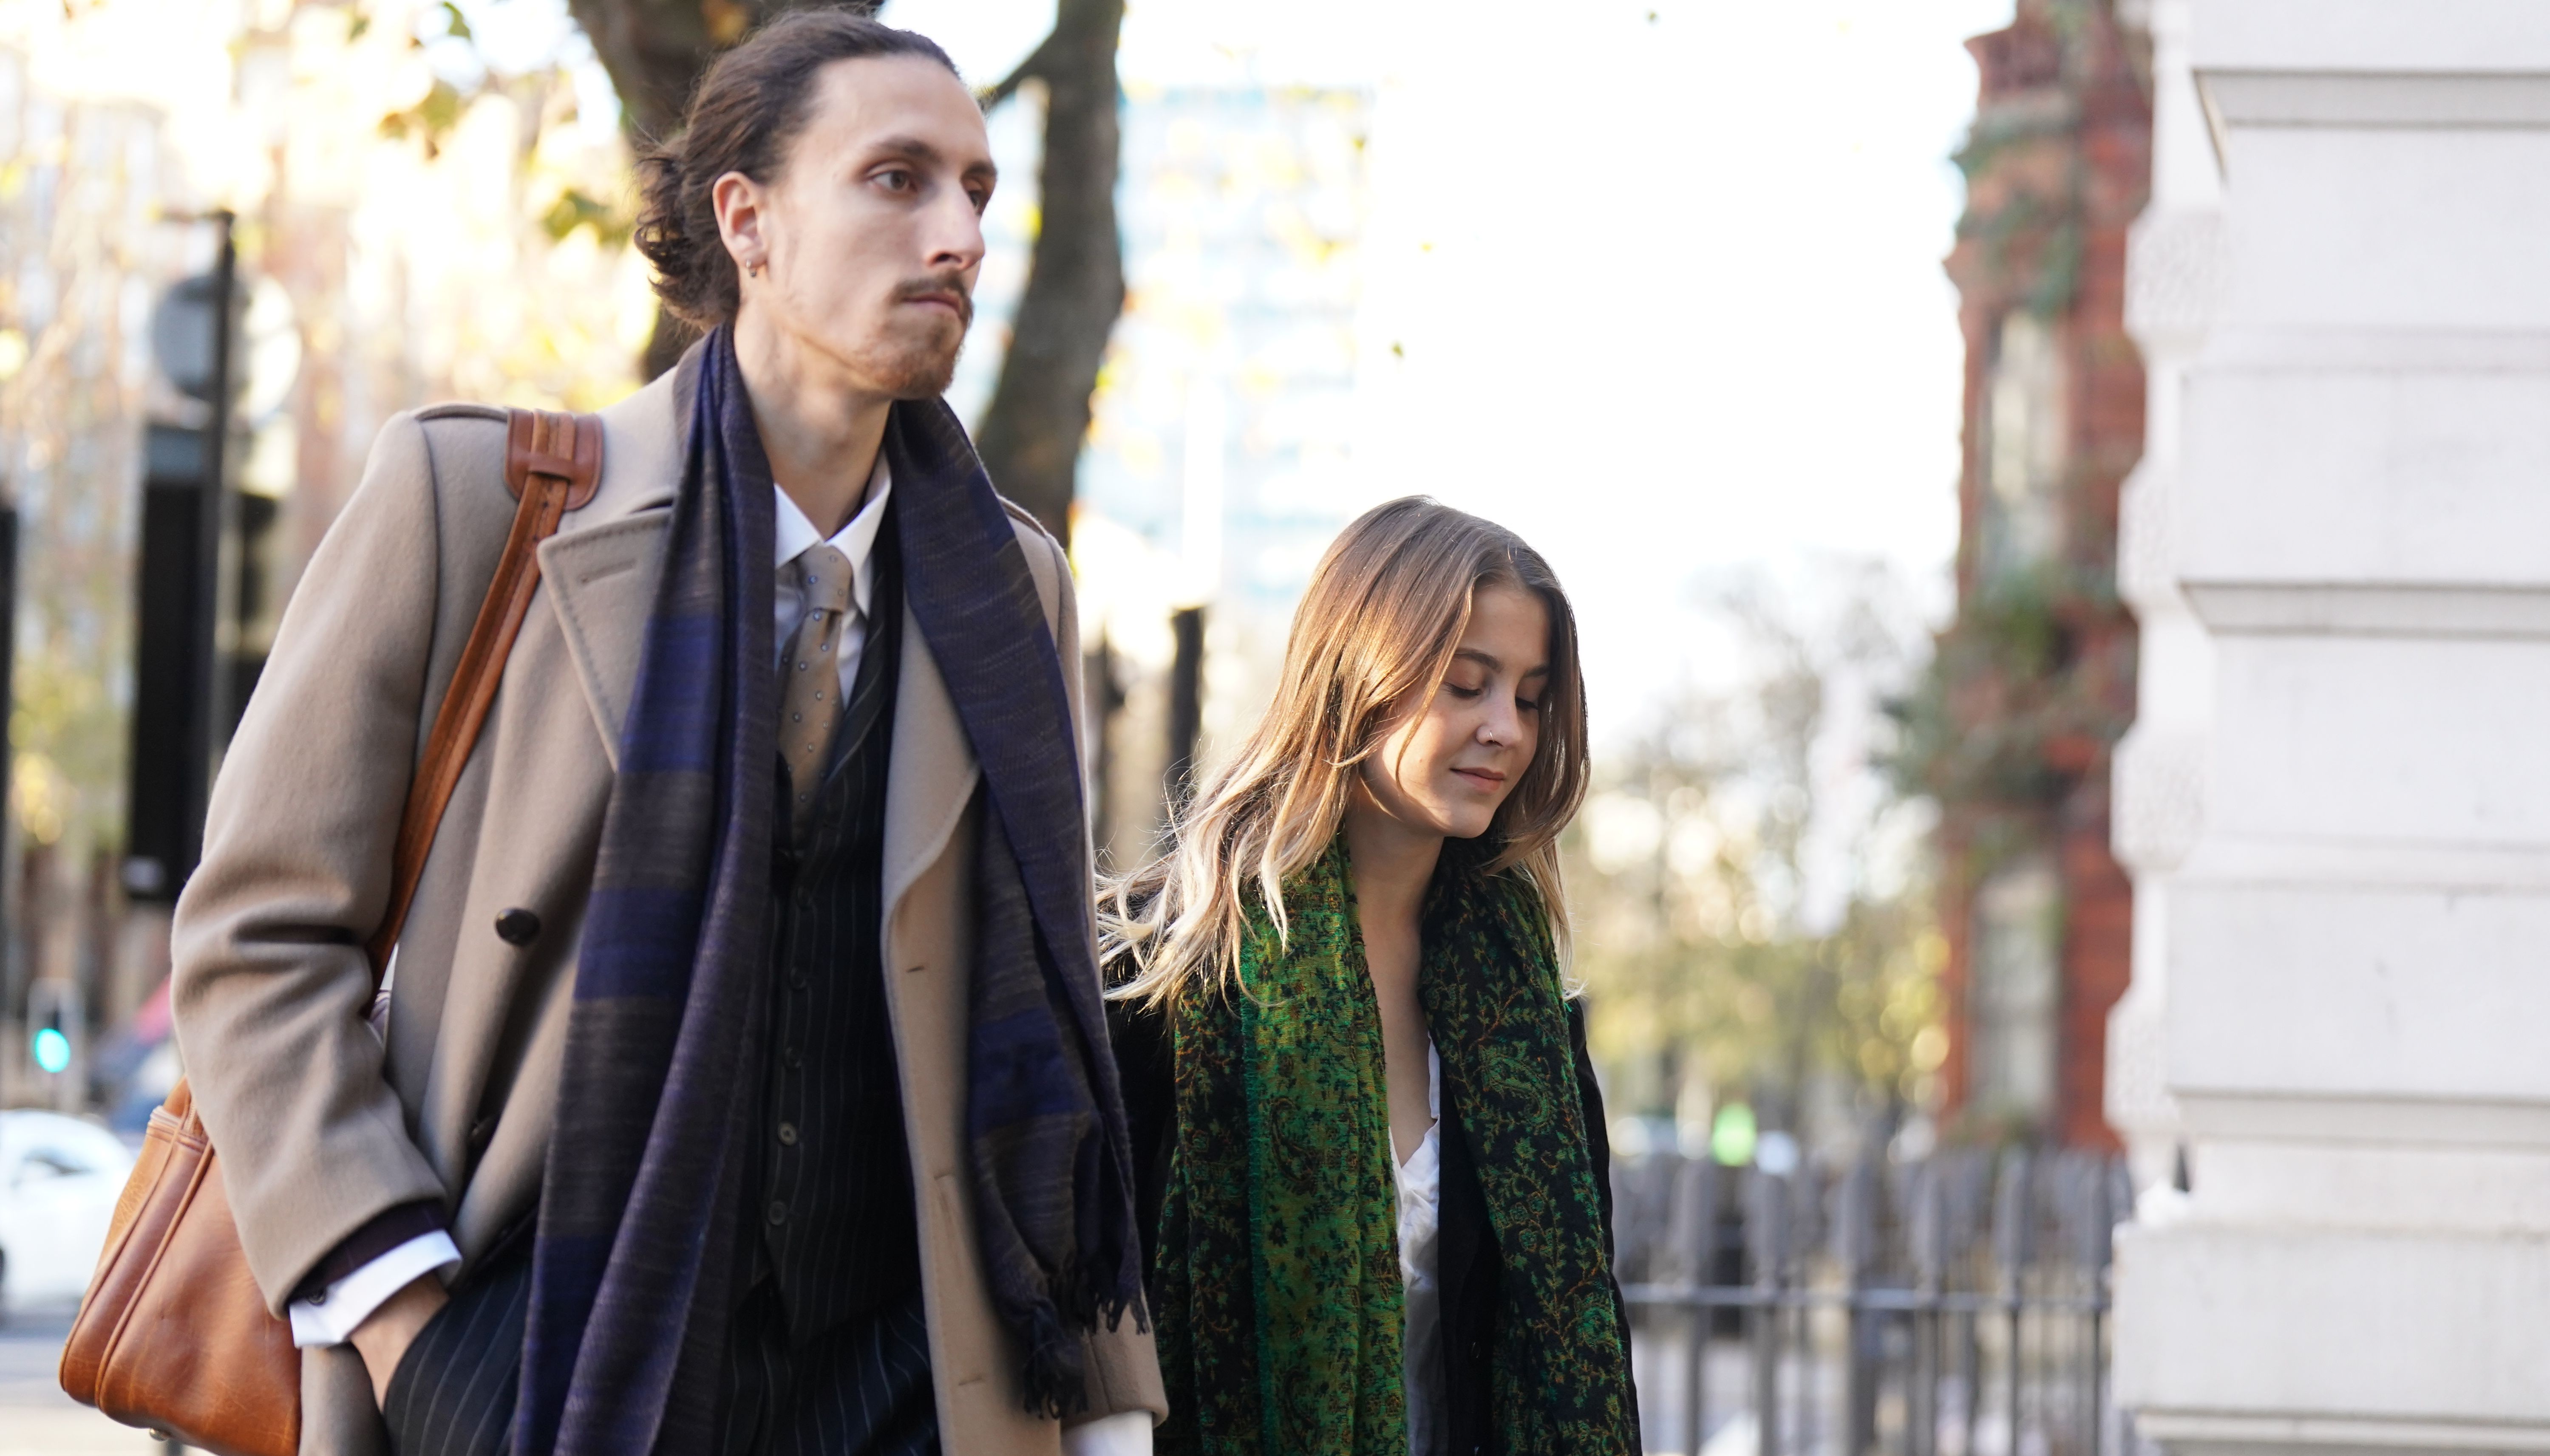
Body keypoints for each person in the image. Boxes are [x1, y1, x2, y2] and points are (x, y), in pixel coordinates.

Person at [169, 13, 1160, 1456]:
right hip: (532, 1357)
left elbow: (1051, 1024)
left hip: (906, 1383)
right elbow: (255, 938)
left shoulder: (1014, 587)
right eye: (897, 179)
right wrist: (405, 1319)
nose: (959, 236)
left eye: (976, 191)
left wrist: (1106, 1408)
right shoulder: (477, 501)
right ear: (745, 220)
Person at [1102, 499, 1641, 1456]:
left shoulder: (1527, 1018)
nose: (1505, 729)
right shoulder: (1167, 970)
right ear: (1357, 677)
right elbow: (1084, 1315)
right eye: (1466, 685)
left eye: (1528, 698)